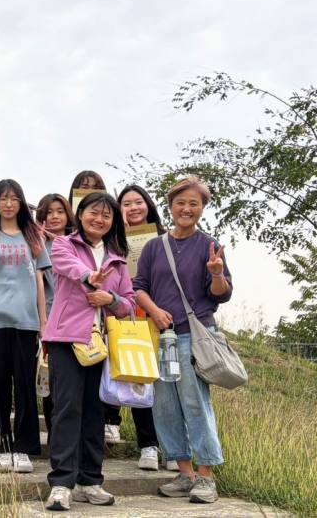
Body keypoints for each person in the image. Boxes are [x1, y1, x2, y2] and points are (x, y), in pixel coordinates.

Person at [133, 176, 232, 505]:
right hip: (160, 338)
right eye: (181, 203)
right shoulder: (153, 246)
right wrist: (154, 311)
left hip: (194, 337)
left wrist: (217, 272)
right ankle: (184, 472)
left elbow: (220, 294)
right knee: (164, 408)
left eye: (194, 204)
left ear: (202, 208)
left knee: (195, 404)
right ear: (170, 206)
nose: (187, 209)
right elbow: (139, 287)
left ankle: (206, 477)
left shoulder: (208, 245)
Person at [42, 192, 135, 512]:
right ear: (80, 215)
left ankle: (90, 480)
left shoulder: (118, 259)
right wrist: (88, 278)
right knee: (66, 409)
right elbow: (65, 266)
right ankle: (62, 484)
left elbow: (129, 304)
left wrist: (109, 300)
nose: (99, 219)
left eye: (107, 216)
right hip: (67, 340)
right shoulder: (65, 244)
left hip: (101, 345)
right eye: (94, 213)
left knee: (95, 412)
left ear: (113, 223)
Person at [0, 179, 49, 474]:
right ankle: (1, 445)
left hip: (26, 321)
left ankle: (25, 447)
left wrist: (43, 323)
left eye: (14, 198)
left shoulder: (33, 236)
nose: (8, 203)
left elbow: (40, 282)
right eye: (3, 198)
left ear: (21, 202)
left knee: (25, 387)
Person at [106, 184, 166, 471]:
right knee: (131, 376)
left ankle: (155, 445)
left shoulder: (164, 240)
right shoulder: (111, 241)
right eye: (126, 204)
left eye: (138, 202)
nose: (133, 208)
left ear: (149, 205)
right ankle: (145, 444)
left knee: (154, 384)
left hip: (155, 318)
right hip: (124, 318)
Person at [34, 193, 74, 446]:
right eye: (49, 212)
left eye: (60, 211)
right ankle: (54, 433)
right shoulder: (37, 244)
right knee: (49, 380)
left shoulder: (75, 243)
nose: (55, 216)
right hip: (47, 318)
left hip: (75, 320)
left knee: (70, 382)